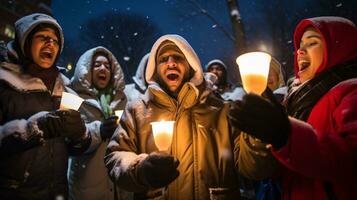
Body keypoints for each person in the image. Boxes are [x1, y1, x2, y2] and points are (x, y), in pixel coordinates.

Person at [105, 34, 277, 199]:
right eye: (163, 59)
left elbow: (255, 170)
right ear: (155, 69)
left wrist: (257, 136)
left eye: (178, 58)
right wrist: (140, 170)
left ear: (191, 65)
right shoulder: (137, 110)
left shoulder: (220, 111)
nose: (171, 63)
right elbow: (116, 155)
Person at [229, 16, 357, 199]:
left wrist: (286, 135)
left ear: (340, 48)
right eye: (299, 46)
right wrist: (259, 137)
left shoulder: (351, 91)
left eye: (312, 42)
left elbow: (350, 160)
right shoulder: (296, 100)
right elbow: (271, 172)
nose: (300, 51)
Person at [0, 13, 90, 199]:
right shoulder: (3, 82)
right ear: (25, 42)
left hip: (57, 193)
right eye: (43, 38)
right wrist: (32, 130)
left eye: (56, 41)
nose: (51, 44)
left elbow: (76, 148)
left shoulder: (64, 88)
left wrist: (79, 134)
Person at [68, 46, 130, 200]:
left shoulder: (122, 100)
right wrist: (99, 131)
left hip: (119, 188)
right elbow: (67, 140)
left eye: (107, 66)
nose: (103, 68)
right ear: (87, 70)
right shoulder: (73, 98)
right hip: (88, 188)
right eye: (97, 65)